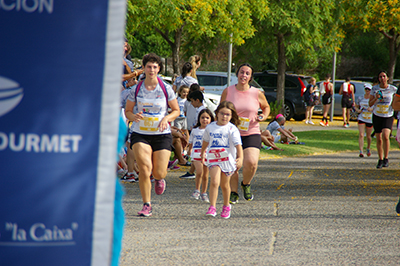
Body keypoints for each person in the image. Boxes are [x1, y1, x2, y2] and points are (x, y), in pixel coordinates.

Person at [124, 53, 180, 217]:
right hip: (140, 133)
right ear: (144, 68)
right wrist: (133, 117)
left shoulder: (165, 88)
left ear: (159, 69)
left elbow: (176, 110)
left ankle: (159, 178)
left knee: (159, 172)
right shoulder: (136, 89)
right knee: (144, 168)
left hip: (161, 134)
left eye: (155, 67)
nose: (151, 70)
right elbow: (128, 111)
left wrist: (167, 118)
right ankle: (146, 204)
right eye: (149, 66)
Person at [220, 63, 270, 203]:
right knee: (233, 165)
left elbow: (266, 107)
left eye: (247, 73)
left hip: (251, 131)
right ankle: (233, 192)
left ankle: (246, 184)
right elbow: (221, 109)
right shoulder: (228, 91)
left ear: (250, 77)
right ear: (237, 74)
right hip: (231, 133)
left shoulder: (256, 93)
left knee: (251, 162)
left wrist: (263, 116)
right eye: (242, 72)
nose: (244, 75)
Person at [201, 101, 243, 219]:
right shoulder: (210, 127)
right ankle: (212, 207)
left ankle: (226, 206)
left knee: (225, 185)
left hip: (228, 160)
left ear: (231, 116)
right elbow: (205, 141)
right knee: (214, 181)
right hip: (214, 158)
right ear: (217, 114)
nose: (224, 116)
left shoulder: (232, 129)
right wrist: (202, 152)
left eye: (227, 114)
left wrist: (240, 158)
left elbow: (238, 145)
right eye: (222, 113)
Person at [369, 70, 397, 168]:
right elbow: (370, 104)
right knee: (379, 138)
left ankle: (386, 158)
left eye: (384, 76)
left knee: (386, 136)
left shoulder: (393, 89)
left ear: (388, 78)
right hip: (377, 115)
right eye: (380, 77)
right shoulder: (374, 89)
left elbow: (397, 100)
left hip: (388, 115)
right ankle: (380, 159)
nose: (382, 78)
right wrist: (376, 98)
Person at [188, 108, 215, 202]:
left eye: (207, 117)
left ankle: (204, 193)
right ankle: (197, 190)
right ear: (199, 119)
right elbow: (191, 142)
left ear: (211, 119)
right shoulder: (195, 130)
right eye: (202, 117)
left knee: (205, 175)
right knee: (199, 172)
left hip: (208, 154)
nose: (205, 119)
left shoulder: (212, 131)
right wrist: (189, 150)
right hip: (196, 154)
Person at [355, 84, 374, 157]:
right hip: (361, 117)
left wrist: (371, 109)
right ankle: (361, 151)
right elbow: (356, 106)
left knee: (368, 136)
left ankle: (368, 148)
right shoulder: (361, 98)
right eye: (366, 89)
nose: (367, 91)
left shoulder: (372, 98)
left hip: (369, 118)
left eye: (369, 90)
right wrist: (358, 110)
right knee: (361, 134)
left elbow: (375, 107)